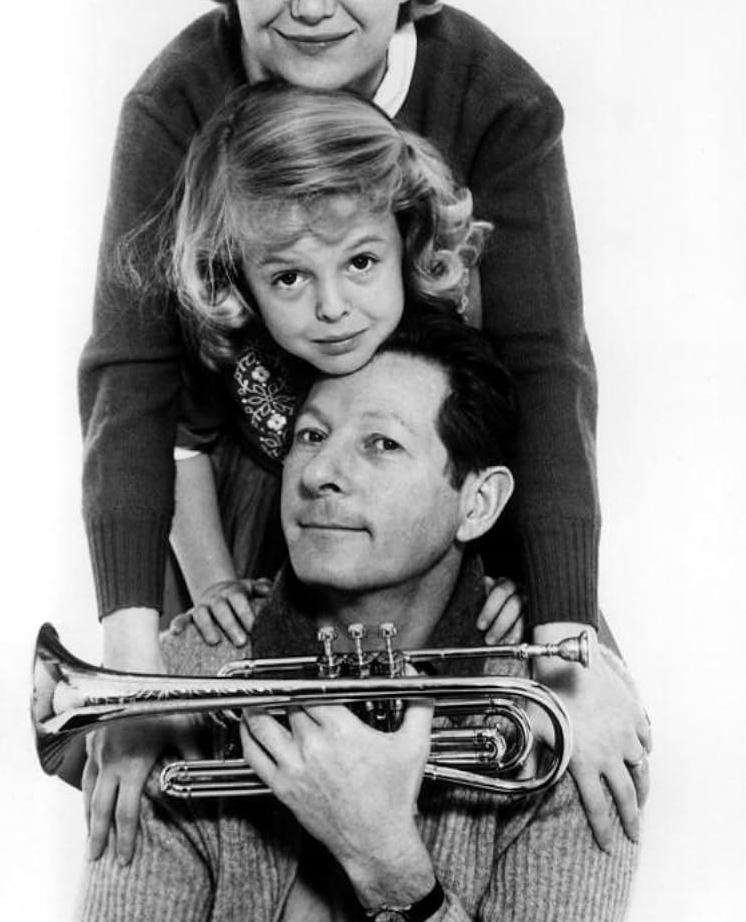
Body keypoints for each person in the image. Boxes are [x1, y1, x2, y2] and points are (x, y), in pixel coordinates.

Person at [79, 0, 650, 862]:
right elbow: (133, 383)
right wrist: (134, 661)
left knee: (574, 731)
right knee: (192, 760)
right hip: (249, 468)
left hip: (440, 457)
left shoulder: (498, 98)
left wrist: (561, 623)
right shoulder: (173, 101)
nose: (306, 4)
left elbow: (543, 364)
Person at [73, 316, 641, 922]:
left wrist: (385, 861)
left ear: (478, 502)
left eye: (381, 445)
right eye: (309, 436)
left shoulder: (572, 705)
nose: (319, 476)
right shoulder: (189, 676)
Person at [164, 80, 519, 647]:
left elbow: (477, 467)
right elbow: (182, 449)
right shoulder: (232, 344)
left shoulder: (448, 318)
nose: (332, 309)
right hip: (263, 505)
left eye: (360, 261)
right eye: (288, 277)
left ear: (406, 234)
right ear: (240, 282)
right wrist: (214, 585)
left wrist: (519, 580)